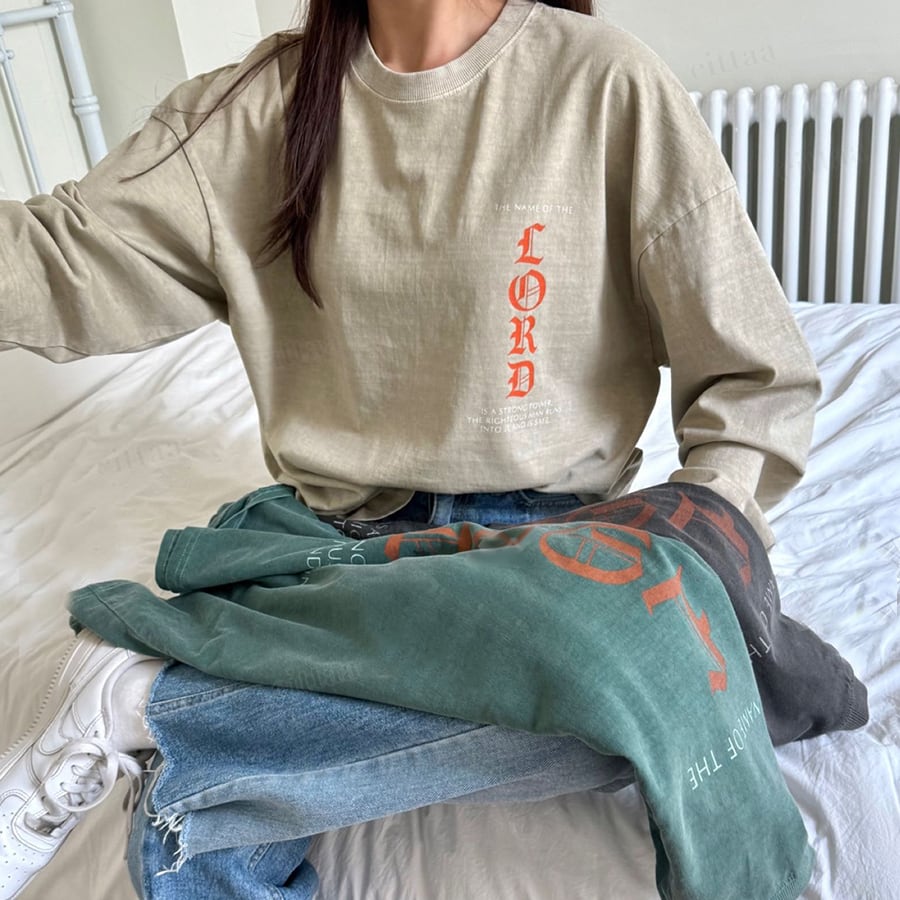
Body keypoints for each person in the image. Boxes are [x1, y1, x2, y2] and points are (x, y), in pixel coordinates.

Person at [0, 1, 824, 898]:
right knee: (650, 694)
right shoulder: (255, 110)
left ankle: (144, 705)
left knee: (660, 686)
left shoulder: (604, 82)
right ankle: (171, 717)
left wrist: (711, 512)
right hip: (334, 547)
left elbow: (757, 372)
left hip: (548, 552)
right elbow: (61, 262)